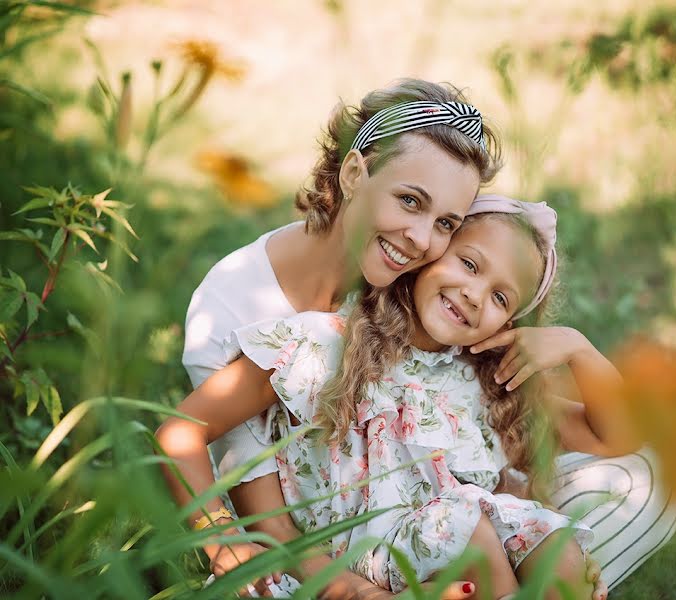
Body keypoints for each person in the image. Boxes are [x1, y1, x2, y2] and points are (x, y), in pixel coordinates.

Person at [160, 196, 615, 599]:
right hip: (350, 560)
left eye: (500, 297)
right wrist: (218, 538)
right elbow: (180, 431)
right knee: (470, 534)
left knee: (558, 550)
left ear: (510, 324)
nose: (475, 295)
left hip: (438, 562)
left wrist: (578, 346)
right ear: (429, 255)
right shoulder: (319, 345)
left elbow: (612, 435)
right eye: (469, 264)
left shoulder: (483, 382)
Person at [181, 78, 501, 598]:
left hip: (398, 525)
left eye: (445, 222)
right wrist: (218, 541)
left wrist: (561, 345)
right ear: (355, 172)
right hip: (305, 553)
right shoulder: (235, 304)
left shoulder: (408, 289)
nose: (422, 240)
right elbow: (264, 511)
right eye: (409, 201)